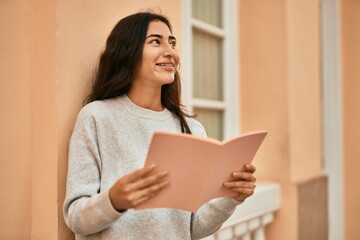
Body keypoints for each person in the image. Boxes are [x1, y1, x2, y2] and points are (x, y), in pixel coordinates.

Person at [63, 11, 257, 240]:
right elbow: (75, 218)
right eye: (156, 41)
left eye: (172, 43)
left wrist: (231, 197)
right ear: (129, 51)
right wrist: (114, 201)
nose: (170, 52)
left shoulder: (192, 130)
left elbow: (193, 229)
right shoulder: (97, 117)